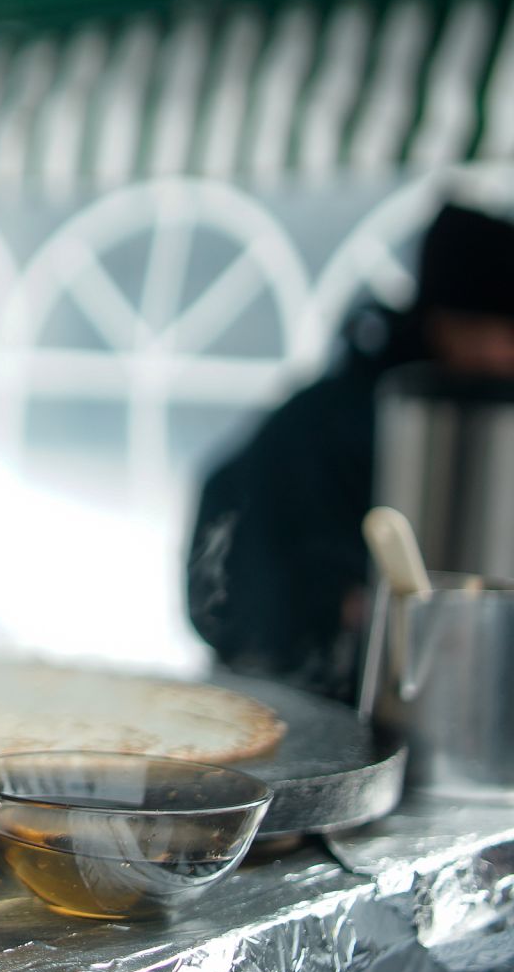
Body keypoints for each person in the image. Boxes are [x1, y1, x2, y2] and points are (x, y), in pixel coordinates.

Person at [187, 202, 514, 703]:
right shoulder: (338, 418)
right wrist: (340, 608)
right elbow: (234, 567)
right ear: (445, 319)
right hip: (313, 703)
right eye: (496, 330)